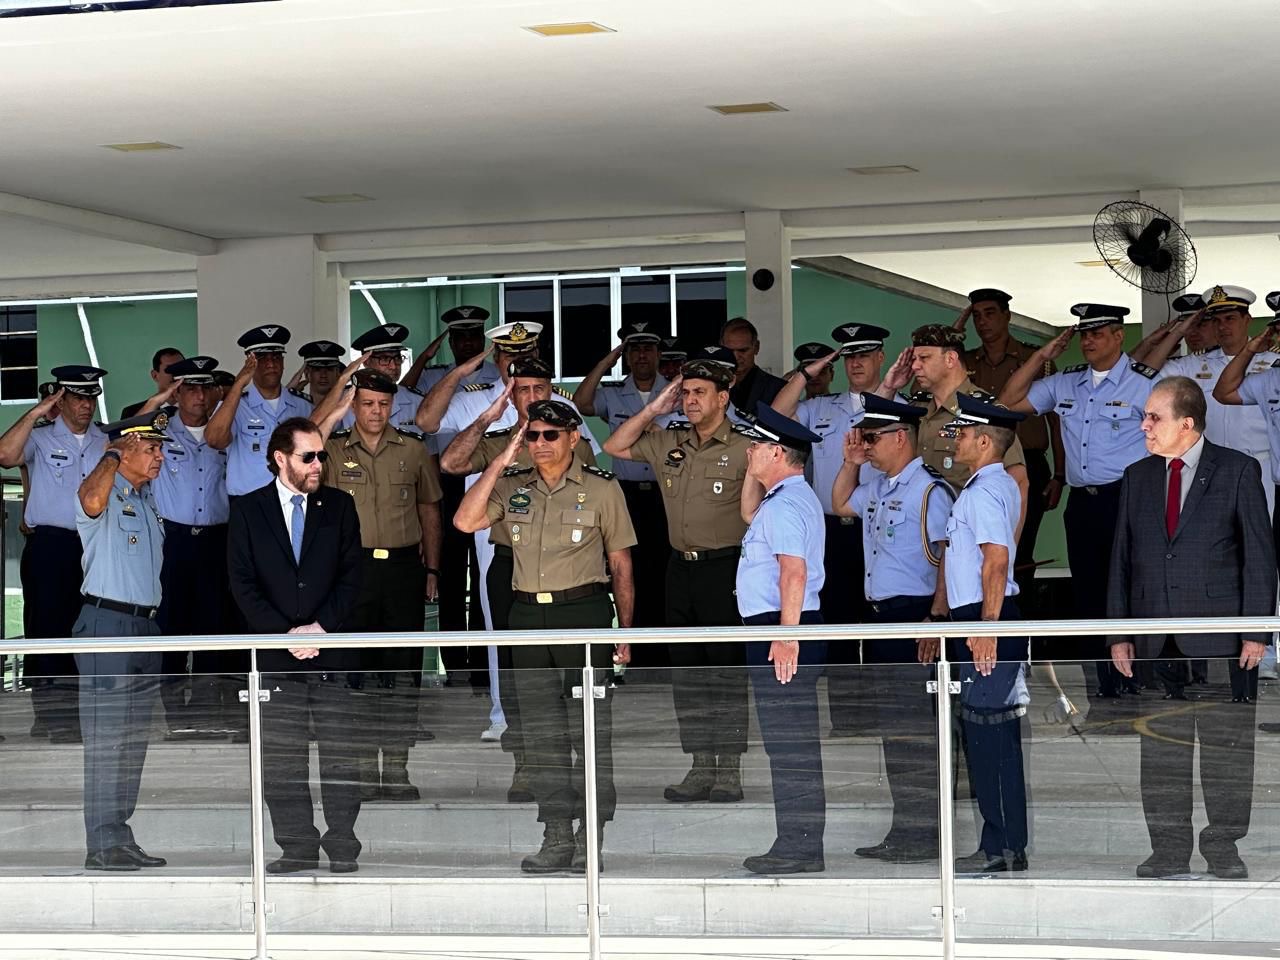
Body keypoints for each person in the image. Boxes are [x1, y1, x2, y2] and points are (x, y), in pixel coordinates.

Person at [454, 399, 635, 874]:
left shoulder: (601, 488)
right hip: (528, 617)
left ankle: (590, 833)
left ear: (574, 437)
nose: (539, 443)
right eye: (531, 435)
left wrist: (626, 631)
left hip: (584, 613)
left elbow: (621, 565)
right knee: (540, 733)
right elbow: (465, 521)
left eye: (549, 435)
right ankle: (556, 833)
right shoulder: (512, 485)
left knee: (588, 731)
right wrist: (500, 460)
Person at [1108, 376, 1274, 879]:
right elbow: (1121, 559)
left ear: (1187, 422)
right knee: (1160, 752)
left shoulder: (1238, 469)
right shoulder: (1137, 476)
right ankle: (1168, 848)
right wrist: (1119, 633)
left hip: (1222, 640)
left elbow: (1259, 556)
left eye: (1153, 417)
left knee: (1227, 751)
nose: (1143, 426)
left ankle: (1223, 846)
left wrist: (1257, 631)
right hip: (1155, 640)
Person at [440, 357, 597, 794]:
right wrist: (489, 419)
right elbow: (451, 463)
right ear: (511, 394)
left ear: (550, 390)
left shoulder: (572, 438)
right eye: (522, 389)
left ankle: (569, 758)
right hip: (509, 559)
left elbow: (598, 492)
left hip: (565, 561)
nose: (531, 398)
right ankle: (525, 759)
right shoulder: (498, 439)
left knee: (562, 663)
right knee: (512, 662)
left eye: (538, 389)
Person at [604, 355, 753, 804]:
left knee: (725, 670)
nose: (689, 400)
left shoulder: (746, 446)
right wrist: (654, 407)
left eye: (699, 393)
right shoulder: (669, 441)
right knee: (686, 671)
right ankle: (700, 764)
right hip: (679, 568)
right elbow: (614, 445)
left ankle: (729, 768)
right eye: (685, 392)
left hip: (725, 568)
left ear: (723, 398)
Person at [998, 304, 1162, 698]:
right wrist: (1041, 356)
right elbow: (1008, 402)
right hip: (1082, 502)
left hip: (1127, 499)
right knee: (1088, 592)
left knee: (1129, 587)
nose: (1088, 341)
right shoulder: (1066, 382)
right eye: (1084, 334)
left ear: (1119, 336)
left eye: (1097, 333)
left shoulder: (1146, 384)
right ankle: (1101, 683)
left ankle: (1137, 677)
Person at [227, 417, 364, 874]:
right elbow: (242, 584)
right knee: (282, 760)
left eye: (322, 455)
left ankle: (342, 844)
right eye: (308, 456)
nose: (318, 464)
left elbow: (352, 576)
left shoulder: (340, 506)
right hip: (275, 653)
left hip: (331, 649)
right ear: (280, 458)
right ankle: (297, 847)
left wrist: (320, 628)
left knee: (341, 755)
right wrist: (285, 635)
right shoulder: (249, 510)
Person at [832, 393, 953, 863]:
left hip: (915, 615)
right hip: (882, 617)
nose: (865, 445)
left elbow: (947, 557)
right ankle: (907, 828)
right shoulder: (880, 487)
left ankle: (923, 832)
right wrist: (851, 461)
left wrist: (936, 618)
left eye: (872, 437)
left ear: (900, 437)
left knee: (916, 732)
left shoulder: (929, 490)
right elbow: (840, 502)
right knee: (895, 730)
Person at [322, 370, 443, 802]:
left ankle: (395, 768)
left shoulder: (413, 449)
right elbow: (303, 457)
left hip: (402, 570)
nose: (376, 412)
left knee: (403, 668)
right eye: (368, 403)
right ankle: (360, 769)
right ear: (354, 406)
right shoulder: (332, 450)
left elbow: (429, 510)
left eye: (384, 404)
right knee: (355, 667)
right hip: (351, 572)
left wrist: (432, 569)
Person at [772, 323, 887, 735]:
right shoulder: (821, 407)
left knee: (883, 619)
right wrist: (806, 374)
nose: (856, 363)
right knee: (837, 621)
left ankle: (886, 713)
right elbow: (776, 415)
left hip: (881, 528)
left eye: (864, 355)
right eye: (849, 356)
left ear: (880, 358)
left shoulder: (897, 404)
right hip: (832, 530)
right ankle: (847, 718)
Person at [74, 410, 169, 871]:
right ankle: (101, 843)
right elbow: (90, 499)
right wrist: (111, 455)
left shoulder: (146, 500)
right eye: (150, 447)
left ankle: (119, 834)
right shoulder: (105, 491)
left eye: (160, 448)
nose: (160, 456)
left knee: (132, 741)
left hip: (145, 627)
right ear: (124, 450)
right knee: (106, 736)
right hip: (107, 623)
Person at [736, 403, 827, 874]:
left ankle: (800, 846)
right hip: (779, 627)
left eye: (755, 446)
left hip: (783, 628)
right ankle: (797, 842)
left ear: (777, 453)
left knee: (791, 744)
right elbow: (747, 511)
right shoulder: (782, 498)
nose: (747, 451)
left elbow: (794, 571)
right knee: (786, 743)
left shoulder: (787, 504)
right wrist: (755, 469)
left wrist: (786, 637)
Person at [942, 393, 1031, 875]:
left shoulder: (983, 492)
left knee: (989, 735)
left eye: (962, 433)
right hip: (981, 617)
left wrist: (985, 628)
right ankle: (1003, 843)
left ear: (983, 441)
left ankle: (1001, 846)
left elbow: (996, 561)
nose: (954, 440)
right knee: (989, 735)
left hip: (985, 617)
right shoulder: (988, 487)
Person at [0, 365, 109, 743]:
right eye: (77, 397)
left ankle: (81, 713)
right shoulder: (40, 437)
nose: (86, 405)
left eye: (91, 397)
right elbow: (5, 455)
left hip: (93, 544)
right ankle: (51, 715)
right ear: (60, 401)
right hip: (50, 544)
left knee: (88, 628)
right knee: (47, 627)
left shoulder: (103, 440)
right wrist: (35, 413)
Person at [145, 357, 240, 740]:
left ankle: (204, 710)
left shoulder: (226, 429)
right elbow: (121, 432)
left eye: (205, 387)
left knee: (212, 625)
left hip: (217, 539)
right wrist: (160, 400)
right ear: (177, 392)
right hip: (173, 540)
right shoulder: (160, 430)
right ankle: (175, 714)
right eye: (190, 388)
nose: (199, 396)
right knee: (171, 626)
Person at [956, 289, 1066, 602]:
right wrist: (954, 335)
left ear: (1007, 316)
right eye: (977, 316)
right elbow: (925, 387)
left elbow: (1056, 422)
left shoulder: (1035, 361)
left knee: (1020, 547)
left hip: (1027, 463)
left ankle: (1017, 613)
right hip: (978, 464)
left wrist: (1060, 475)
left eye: (990, 313)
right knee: (977, 544)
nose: (982, 322)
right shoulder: (966, 361)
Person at [574, 321, 671, 637]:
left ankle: (665, 648)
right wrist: (607, 361)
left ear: (658, 353)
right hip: (626, 495)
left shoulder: (676, 392)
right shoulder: (614, 394)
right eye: (634, 349)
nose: (642, 355)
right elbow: (581, 403)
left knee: (665, 569)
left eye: (648, 349)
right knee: (630, 569)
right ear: (626, 356)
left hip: (667, 494)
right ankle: (635, 644)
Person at [878, 324, 1029, 526]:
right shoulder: (917, 407)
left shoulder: (984, 411)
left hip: (961, 534)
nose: (914, 366)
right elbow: (872, 434)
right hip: (913, 531)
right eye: (914, 359)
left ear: (950, 359)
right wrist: (889, 388)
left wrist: (1006, 543)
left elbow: (1018, 482)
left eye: (924, 358)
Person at [206, 325, 313, 498]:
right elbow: (214, 440)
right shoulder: (235, 406)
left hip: (293, 501)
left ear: (283, 363)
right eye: (262, 358)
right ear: (250, 363)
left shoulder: (303, 406)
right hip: (248, 502)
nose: (271, 364)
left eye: (276, 357)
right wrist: (239, 383)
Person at [721, 317, 786, 413]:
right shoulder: (710, 386)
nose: (736, 357)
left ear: (756, 347)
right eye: (729, 350)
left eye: (743, 350)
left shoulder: (778, 388)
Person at [120, 348, 183, 419]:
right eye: (169, 369)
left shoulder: (193, 408)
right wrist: (153, 403)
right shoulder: (131, 412)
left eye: (181, 368)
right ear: (155, 375)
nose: (176, 373)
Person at [287, 340, 347, 407]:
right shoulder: (295, 409)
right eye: (317, 369)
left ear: (337, 373)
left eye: (329, 369)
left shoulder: (349, 408)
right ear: (307, 374)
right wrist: (286, 396)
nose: (323, 375)